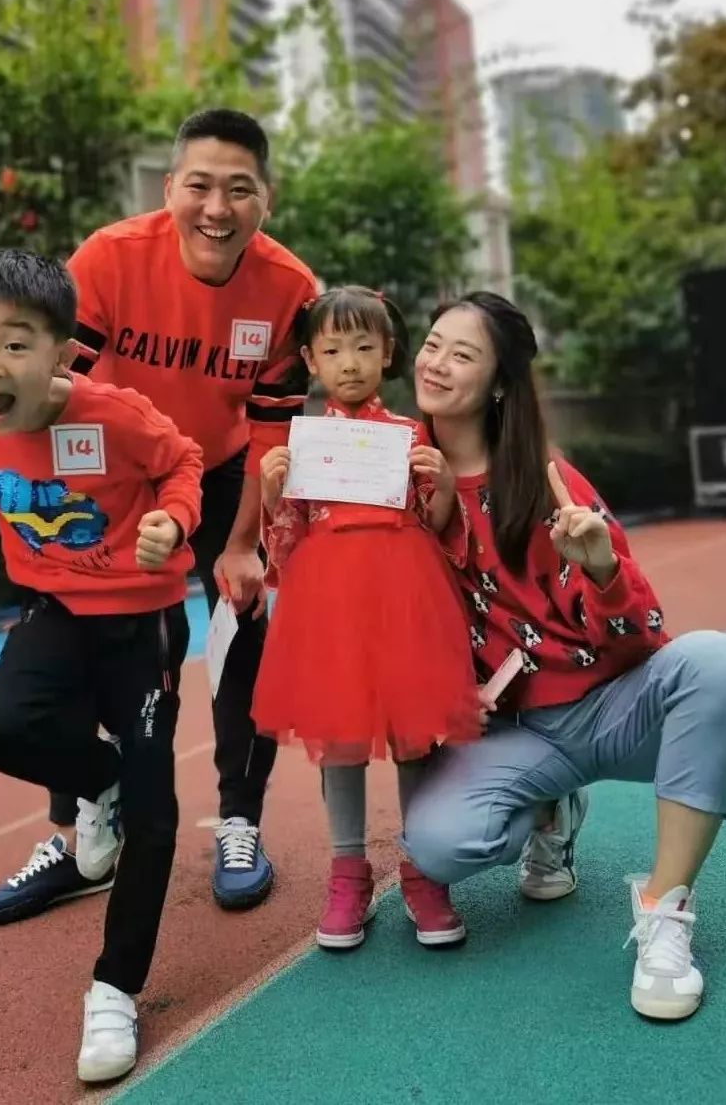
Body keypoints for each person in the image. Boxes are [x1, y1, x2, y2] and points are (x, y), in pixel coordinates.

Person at [0, 109, 319, 924]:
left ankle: (239, 822)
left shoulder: (290, 287)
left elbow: (273, 428)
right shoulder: (110, 258)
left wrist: (243, 543)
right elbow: (50, 379)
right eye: (199, 186)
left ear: (268, 199)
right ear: (170, 187)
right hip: (109, 466)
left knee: (244, 626)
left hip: (219, 467)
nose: (216, 208)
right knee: (76, 624)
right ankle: (83, 830)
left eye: (239, 190)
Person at [0, 249, 204, 1082]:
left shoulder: (115, 416)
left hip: (141, 621)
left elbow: (182, 461)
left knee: (156, 814)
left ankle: (115, 987)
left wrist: (172, 519)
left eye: (15, 344)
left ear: (63, 353)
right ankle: (103, 783)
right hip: (55, 610)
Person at [400, 291, 726, 1020]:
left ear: (499, 384)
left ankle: (664, 911)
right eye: (433, 344)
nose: (436, 363)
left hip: (612, 709)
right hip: (515, 734)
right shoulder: (398, 476)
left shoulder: (549, 485)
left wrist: (600, 567)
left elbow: (643, 636)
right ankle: (551, 809)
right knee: (437, 845)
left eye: (463, 354)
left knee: (717, 665)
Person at [254, 286, 483, 951]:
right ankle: (347, 874)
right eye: (332, 350)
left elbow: (440, 526)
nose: (349, 362)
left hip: (406, 596)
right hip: (330, 605)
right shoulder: (302, 442)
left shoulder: (411, 434)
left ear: (387, 352)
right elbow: (287, 540)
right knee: (341, 737)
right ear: (310, 360)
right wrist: (272, 492)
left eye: (363, 347)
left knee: (414, 735)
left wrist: (442, 488)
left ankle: (423, 867)